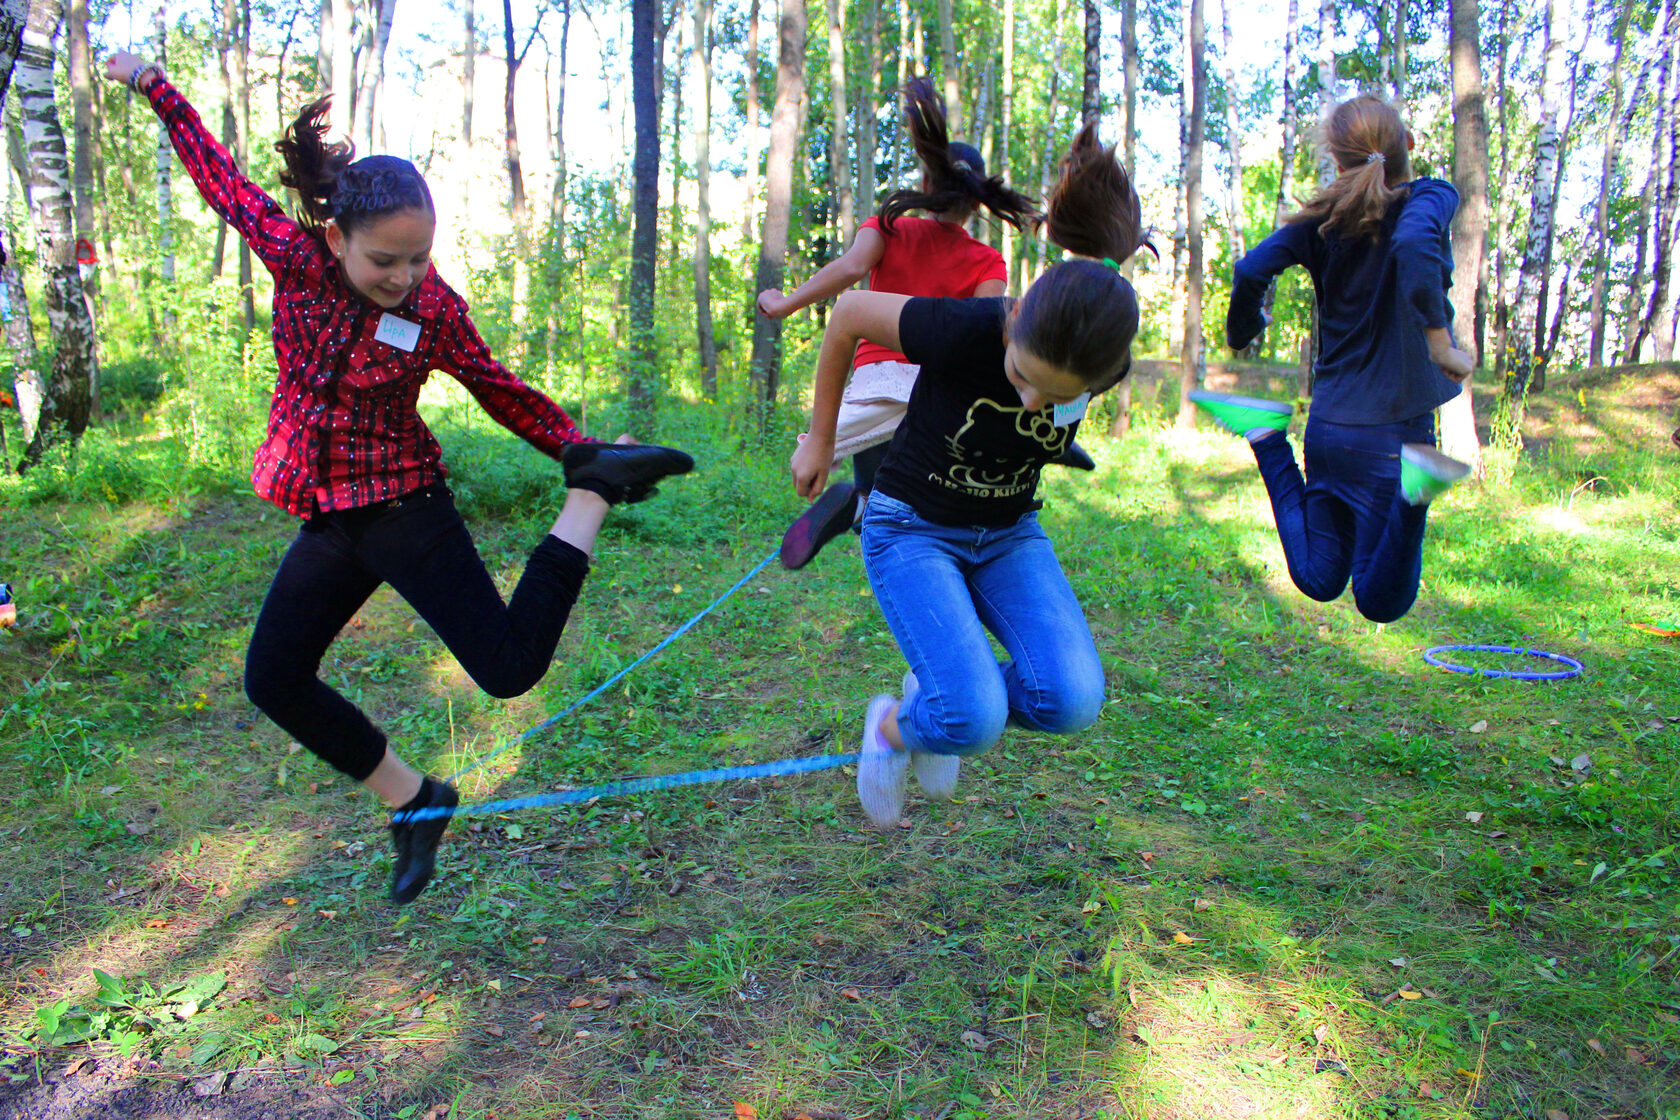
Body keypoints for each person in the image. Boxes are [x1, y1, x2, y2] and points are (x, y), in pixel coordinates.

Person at [105, 53, 694, 905]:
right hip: (330, 515)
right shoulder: (294, 258)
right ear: (339, 239)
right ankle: (417, 801)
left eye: (419, 259)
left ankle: (588, 497)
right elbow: (221, 180)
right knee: (273, 677)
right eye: (386, 260)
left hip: (405, 505)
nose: (404, 278)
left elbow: (497, 387)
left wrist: (578, 448)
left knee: (506, 669)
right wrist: (155, 86)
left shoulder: (434, 311)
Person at [791, 122, 1145, 828]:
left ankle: (939, 705)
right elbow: (850, 315)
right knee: (976, 719)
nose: (1031, 403)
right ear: (1012, 321)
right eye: (1021, 377)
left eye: (1055, 395)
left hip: (1008, 534)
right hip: (911, 528)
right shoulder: (968, 326)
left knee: (1070, 699)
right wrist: (820, 440)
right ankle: (894, 728)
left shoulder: (1100, 353)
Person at [761, 78, 1091, 571]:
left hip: (875, 385)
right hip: (938, 394)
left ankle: (854, 501)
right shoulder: (986, 259)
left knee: (843, 468)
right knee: (925, 478)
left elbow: (850, 271)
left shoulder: (889, 227)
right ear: (976, 201)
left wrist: (786, 303)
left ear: (926, 183)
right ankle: (1039, 436)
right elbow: (990, 335)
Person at [1191, 96, 1473, 625]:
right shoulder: (1431, 197)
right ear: (1407, 146)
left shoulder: (1322, 220)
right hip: (1395, 435)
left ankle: (1267, 436)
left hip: (1332, 428)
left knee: (1320, 578)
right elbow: (1413, 245)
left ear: (1339, 163)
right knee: (1380, 601)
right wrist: (1440, 345)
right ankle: (1415, 494)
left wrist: (1243, 330)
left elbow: (1251, 268)